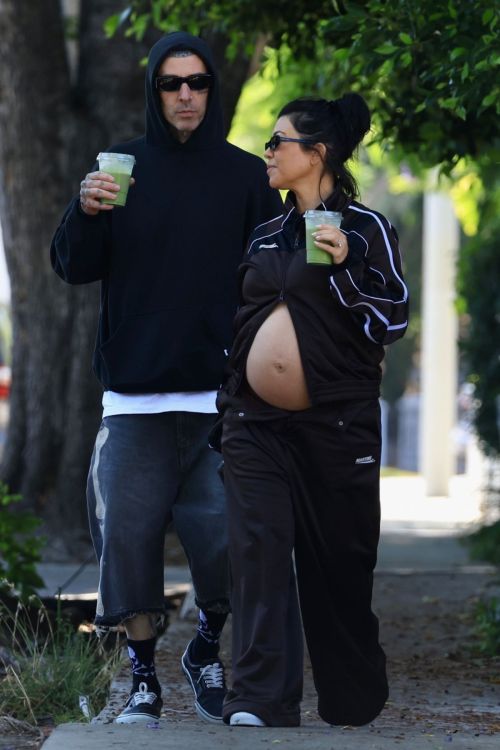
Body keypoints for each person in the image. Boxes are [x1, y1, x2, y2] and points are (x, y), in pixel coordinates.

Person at [50, 31, 283, 725]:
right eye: (171, 84)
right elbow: (72, 264)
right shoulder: (121, 170)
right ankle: (142, 679)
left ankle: (206, 649)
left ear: (212, 91)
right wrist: (85, 209)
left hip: (221, 404)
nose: (186, 94)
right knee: (126, 539)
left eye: (198, 83)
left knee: (227, 541)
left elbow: (271, 283)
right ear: (155, 93)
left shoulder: (246, 177)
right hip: (134, 402)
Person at [216, 93, 409, 728]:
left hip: (336, 425)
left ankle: (350, 692)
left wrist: (346, 269)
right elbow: (245, 316)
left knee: (340, 565)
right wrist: (233, 391)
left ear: (316, 153)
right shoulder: (267, 231)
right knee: (257, 551)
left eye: (278, 142)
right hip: (257, 426)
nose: (267, 153)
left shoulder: (366, 229)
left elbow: (393, 319)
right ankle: (259, 698)